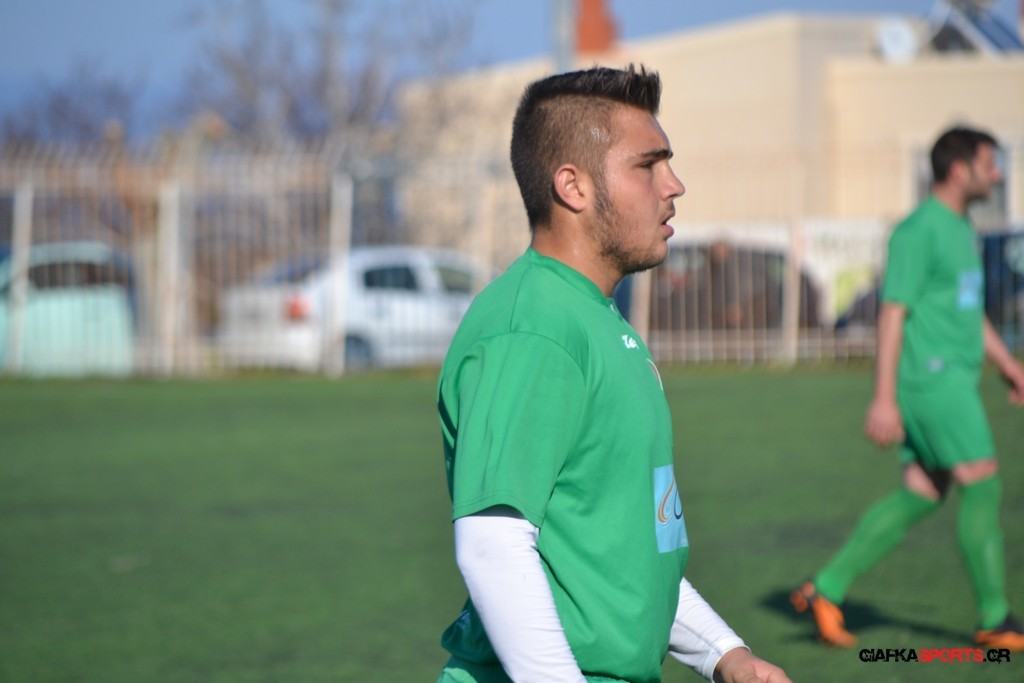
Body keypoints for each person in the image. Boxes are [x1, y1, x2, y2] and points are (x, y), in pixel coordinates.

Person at [435, 64, 791, 683]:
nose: (674, 185)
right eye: (648, 165)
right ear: (573, 186)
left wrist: (725, 654)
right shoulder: (534, 328)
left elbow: (622, 555)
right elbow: (493, 546)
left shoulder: (595, 317)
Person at [791, 126, 1024, 650]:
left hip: (953, 380)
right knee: (982, 482)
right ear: (959, 170)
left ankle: (826, 587)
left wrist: (1008, 363)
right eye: (990, 164)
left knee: (923, 491)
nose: (998, 175)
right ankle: (995, 617)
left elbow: (967, 309)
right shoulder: (917, 232)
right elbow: (892, 314)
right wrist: (883, 399)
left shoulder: (961, 226)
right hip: (933, 383)